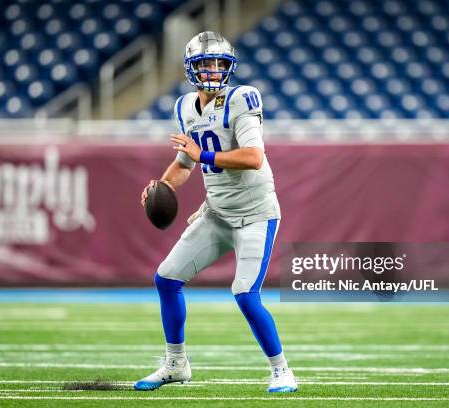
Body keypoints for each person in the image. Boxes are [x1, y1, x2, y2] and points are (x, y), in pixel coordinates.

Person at [135, 31, 297, 393]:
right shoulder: (183, 107)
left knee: (245, 293)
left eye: (218, 64)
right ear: (191, 69)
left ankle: (281, 370)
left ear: (229, 67)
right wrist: (161, 187)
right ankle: (175, 364)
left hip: (256, 213)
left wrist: (202, 155)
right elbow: (183, 162)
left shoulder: (241, 98)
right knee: (166, 278)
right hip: (216, 214)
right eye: (204, 64)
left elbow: (253, 158)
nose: (211, 70)